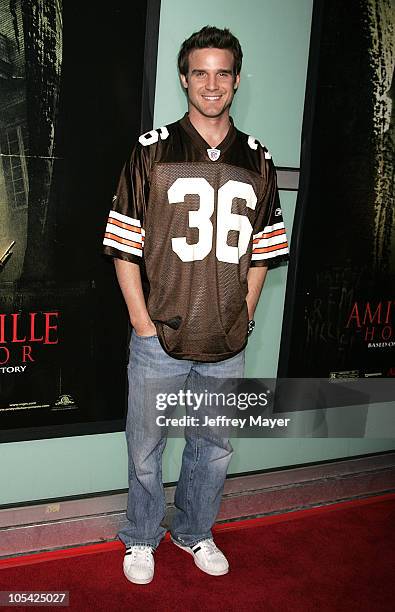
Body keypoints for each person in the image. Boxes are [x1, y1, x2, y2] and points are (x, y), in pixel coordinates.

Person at [103, 25, 289, 585]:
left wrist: (246, 312)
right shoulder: (151, 150)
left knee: (212, 447)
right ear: (184, 78)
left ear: (236, 80)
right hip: (158, 335)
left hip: (225, 340)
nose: (212, 84)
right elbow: (123, 245)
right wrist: (141, 322)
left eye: (223, 73)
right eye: (200, 72)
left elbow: (263, 251)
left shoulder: (258, 159)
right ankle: (140, 536)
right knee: (145, 448)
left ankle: (193, 530)